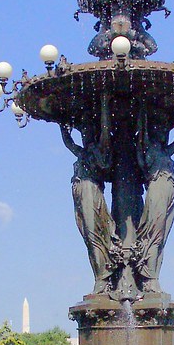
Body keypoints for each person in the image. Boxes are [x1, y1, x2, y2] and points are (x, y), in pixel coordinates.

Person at [60, 98, 122, 294]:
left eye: (87, 132)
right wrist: (62, 125)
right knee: (88, 234)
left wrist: (104, 102)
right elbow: (69, 143)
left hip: (90, 191)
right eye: (83, 132)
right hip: (79, 192)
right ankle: (100, 275)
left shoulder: (98, 150)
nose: (84, 134)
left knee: (94, 232)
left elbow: (105, 131)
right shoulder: (83, 152)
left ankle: (104, 277)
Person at [133, 114, 174, 293]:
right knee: (153, 233)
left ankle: (152, 274)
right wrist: (142, 116)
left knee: (162, 233)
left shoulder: (164, 151)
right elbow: (142, 138)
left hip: (169, 189)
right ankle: (149, 278)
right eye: (161, 130)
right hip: (156, 190)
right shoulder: (148, 148)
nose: (164, 133)